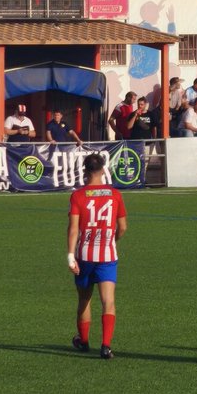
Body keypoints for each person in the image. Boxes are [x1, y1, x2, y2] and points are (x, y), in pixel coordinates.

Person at [67, 152, 127, 360]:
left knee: (84, 299)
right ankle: (106, 345)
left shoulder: (78, 196)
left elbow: (73, 229)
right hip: (107, 254)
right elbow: (123, 227)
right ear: (103, 170)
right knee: (108, 301)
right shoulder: (115, 194)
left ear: (85, 171)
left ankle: (83, 341)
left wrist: (69, 256)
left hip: (84, 255)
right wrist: (112, 240)